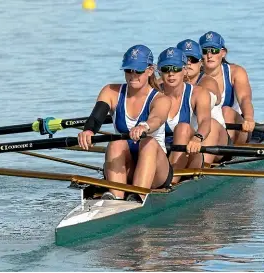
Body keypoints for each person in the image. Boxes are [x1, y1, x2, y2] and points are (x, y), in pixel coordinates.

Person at [78, 45, 172, 202]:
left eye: (139, 71)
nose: (133, 75)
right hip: (126, 167)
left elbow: (157, 119)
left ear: (150, 70)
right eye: (129, 70)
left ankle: (138, 197)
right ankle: (116, 198)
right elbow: (96, 117)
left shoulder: (161, 99)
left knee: (148, 142)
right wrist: (88, 131)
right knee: (116, 143)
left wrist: (145, 127)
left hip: (157, 171)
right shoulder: (111, 91)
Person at [157, 47, 211, 184]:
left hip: (191, 154)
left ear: (184, 70)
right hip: (161, 154)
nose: (171, 73)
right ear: (159, 71)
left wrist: (197, 138)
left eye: (176, 68)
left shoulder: (198, 93)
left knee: (182, 128)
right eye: (166, 69)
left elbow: (205, 121)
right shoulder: (152, 95)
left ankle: (170, 183)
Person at [176, 39, 229, 163]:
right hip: (184, 138)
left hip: (215, 140)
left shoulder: (207, 82)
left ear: (201, 63)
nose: (188, 63)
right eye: (184, 59)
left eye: (193, 60)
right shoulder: (165, 82)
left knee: (212, 124)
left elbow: (210, 96)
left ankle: (203, 167)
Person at [199, 31, 255, 144]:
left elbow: (245, 98)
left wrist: (248, 118)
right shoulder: (193, 75)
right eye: (205, 51)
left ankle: (227, 150)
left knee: (226, 111)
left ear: (223, 53)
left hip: (238, 128)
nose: (209, 56)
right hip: (207, 129)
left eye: (214, 51)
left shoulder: (236, 72)